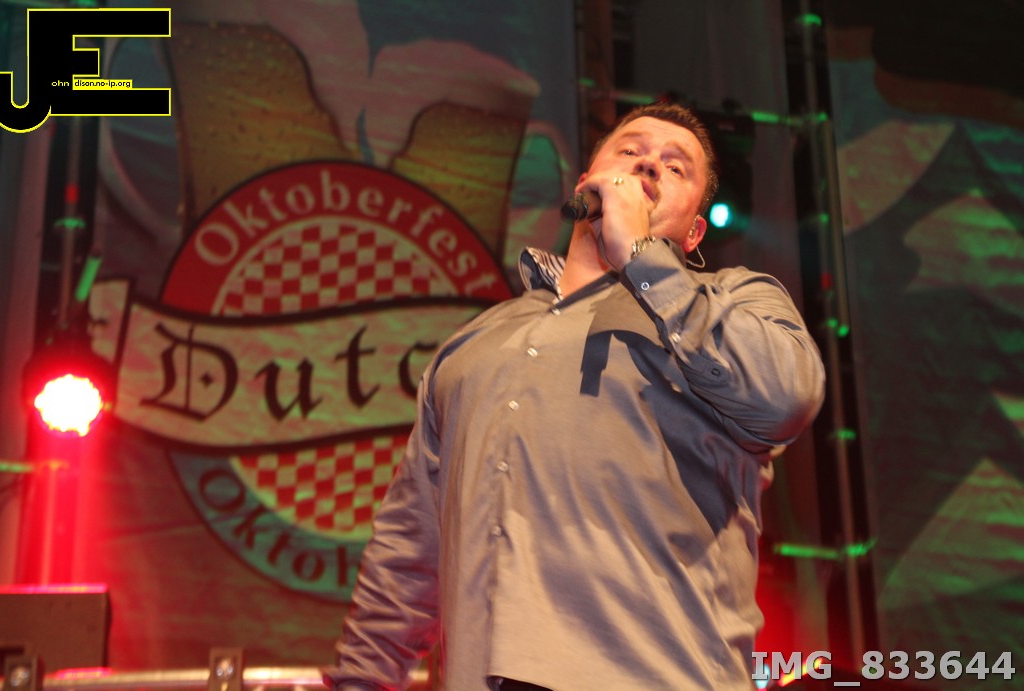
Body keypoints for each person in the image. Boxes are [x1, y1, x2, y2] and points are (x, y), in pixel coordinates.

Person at [322, 102, 826, 690]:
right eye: (630, 150)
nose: (648, 165)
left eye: (675, 167)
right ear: (585, 183)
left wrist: (642, 256)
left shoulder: (732, 301)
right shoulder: (475, 344)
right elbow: (409, 552)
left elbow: (786, 396)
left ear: (694, 232)